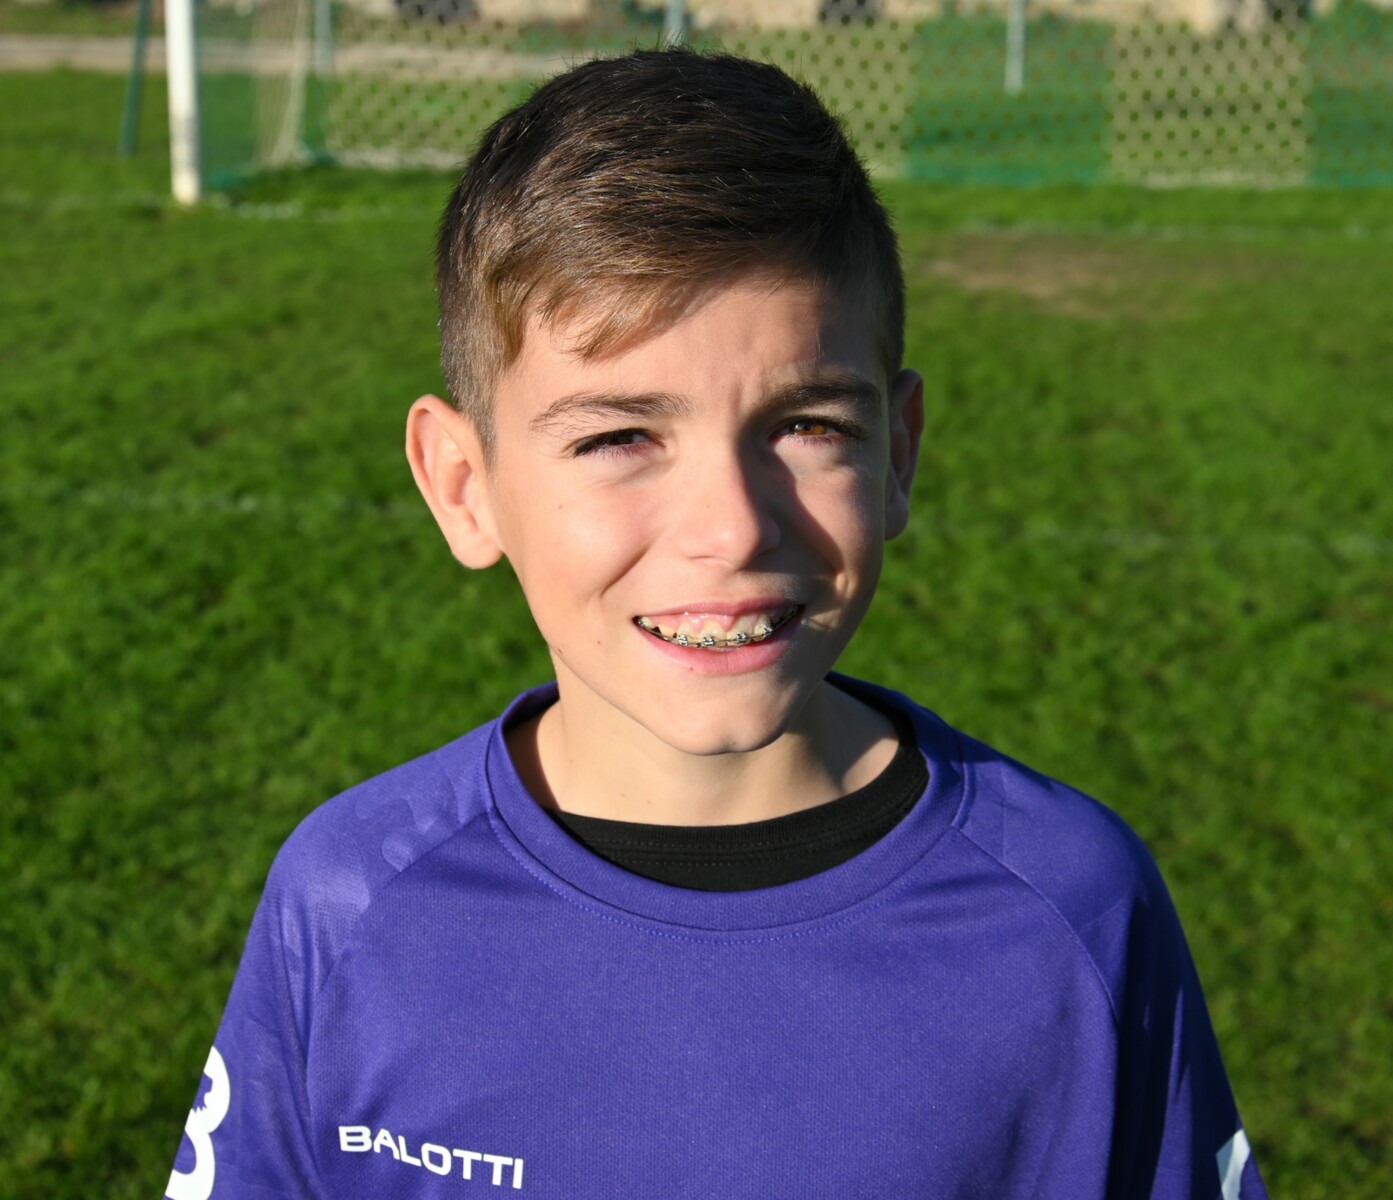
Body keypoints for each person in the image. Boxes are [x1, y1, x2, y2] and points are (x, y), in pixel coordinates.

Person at [166, 49, 1266, 1200]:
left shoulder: (1071, 910)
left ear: (896, 454)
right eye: (617, 438)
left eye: (806, 427)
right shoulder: (351, 900)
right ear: (462, 484)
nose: (732, 528)